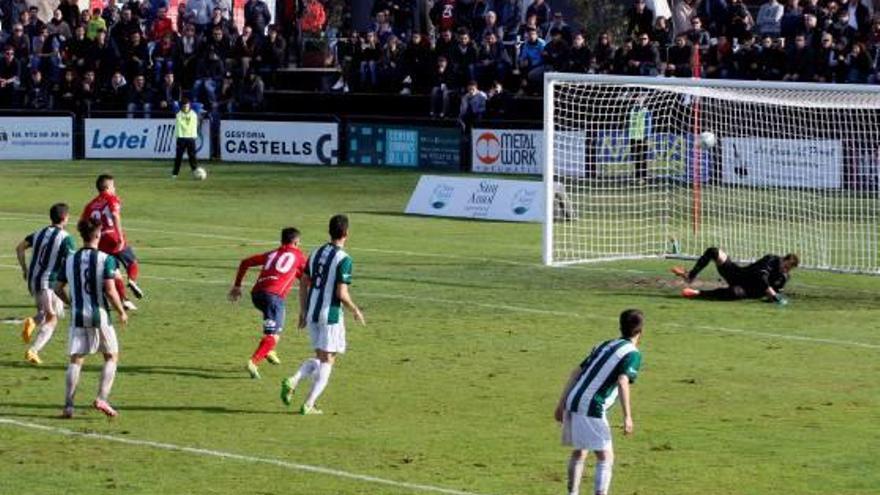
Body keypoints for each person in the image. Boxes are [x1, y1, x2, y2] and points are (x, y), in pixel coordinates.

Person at [280, 214, 365, 415]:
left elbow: (303, 281)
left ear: (329, 231)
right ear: (346, 233)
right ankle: (309, 404)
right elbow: (341, 293)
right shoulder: (344, 259)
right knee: (328, 360)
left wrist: (302, 310)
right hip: (331, 315)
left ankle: (294, 380)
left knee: (320, 357)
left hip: (312, 313)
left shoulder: (316, 252)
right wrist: (355, 310)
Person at [555, 309, 644, 495]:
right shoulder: (632, 353)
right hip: (592, 406)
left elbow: (576, 372)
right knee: (605, 457)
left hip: (574, 399)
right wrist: (628, 416)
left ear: (620, 327)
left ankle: (572, 493)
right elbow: (622, 380)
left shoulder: (605, 344)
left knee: (581, 449)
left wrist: (562, 402)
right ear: (641, 331)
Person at [55, 217, 129, 418]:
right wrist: (121, 311)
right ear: (97, 234)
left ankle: (68, 406)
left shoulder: (70, 260)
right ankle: (102, 398)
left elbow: (57, 287)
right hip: (100, 315)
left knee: (76, 359)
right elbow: (111, 291)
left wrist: (71, 303)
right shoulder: (106, 259)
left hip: (78, 315)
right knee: (111, 356)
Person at [229, 227, 307, 379]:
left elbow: (245, 262)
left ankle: (269, 351)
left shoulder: (272, 254)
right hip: (274, 297)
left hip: (257, 295)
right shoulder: (298, 256)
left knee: (273, 326)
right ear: (296, 242)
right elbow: (307, 276)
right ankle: (254, 361)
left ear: (282, 241)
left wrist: (237, 285)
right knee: (274, 335)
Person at [15, 203, 76, 364]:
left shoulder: (40, 232)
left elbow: (19, 248)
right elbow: (72, 263)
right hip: (48, 282)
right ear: (65, 218)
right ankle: (33, 351)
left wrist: (24, 269)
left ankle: (33, 322)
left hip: (34, 280)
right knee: (52, 318)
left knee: (45, 314)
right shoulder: (66, 238)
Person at [81, 174, 143, 310]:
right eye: (113, 185)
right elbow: (115, 215)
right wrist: (120, 235)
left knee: (114, 271)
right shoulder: (112, 199)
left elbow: (83, 224)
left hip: (99, 240)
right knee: (132, 262)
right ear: (108, 187)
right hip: (113, 236)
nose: (115, 188)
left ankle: (124, 300)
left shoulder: (90, 205)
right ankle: (132, 280)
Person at [671, 247, 799, 302]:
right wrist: (771, 291)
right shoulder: (772, 259)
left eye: (789, 269)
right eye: (786, 266)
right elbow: (761, 276)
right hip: (738, 274)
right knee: (714, 251)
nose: (786, 270)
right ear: (783, 259)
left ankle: (698, 293)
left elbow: (775, 294)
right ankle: (690, 276)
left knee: (734, 293)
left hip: (747, 290)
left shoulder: (783, 277)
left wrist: (775, 297)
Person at [173, 97, 200, 178]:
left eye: (187, 106)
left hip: (191, 138)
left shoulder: (194, 113)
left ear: (190, 105)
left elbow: (199, 104)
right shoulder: (178, 113)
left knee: (192, 157)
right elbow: (174, 102)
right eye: (184, 106)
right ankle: (175, 173)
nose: (185, 108)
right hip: (181, 138)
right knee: (179, 157)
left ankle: (195, 172)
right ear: (181, 106)